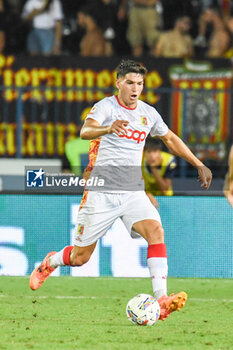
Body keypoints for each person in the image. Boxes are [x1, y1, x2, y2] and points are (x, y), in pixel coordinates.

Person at [29, 59, 212, 321]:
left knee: (156, 231)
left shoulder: (148, 114)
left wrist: (198, 164)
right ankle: (51, 262)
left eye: (139, 83)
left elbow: (169, 138)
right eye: (129, 83)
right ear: (118, 83)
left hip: (132, 191)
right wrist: (108, 127)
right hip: (100, 191)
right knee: (80, 258)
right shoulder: (105, 107)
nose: (135, 88)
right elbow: (85, 131)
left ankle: (161, 299)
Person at [142, 137, 176, 208]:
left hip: (166, 199)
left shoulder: (169, 160)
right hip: (146, 198)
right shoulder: (139, 160)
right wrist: (147, 194)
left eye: (154, 151)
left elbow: (164, 189)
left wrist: (153, 168)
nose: (152, 156)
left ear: (159, 151)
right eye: (148, 151)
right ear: (144, 153)